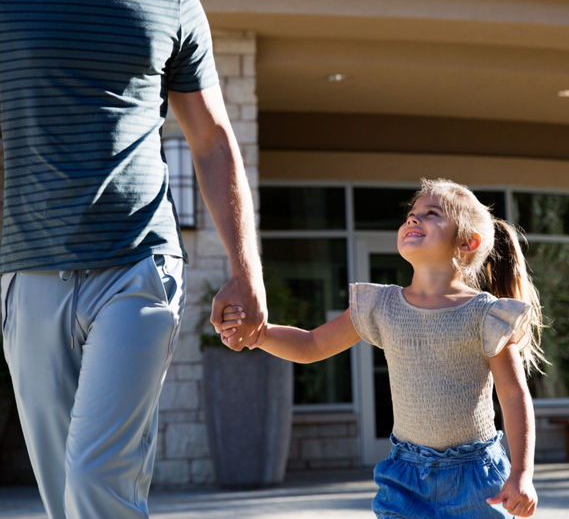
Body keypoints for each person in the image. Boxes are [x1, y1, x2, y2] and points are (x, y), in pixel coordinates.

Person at [0, 0, 266, 518]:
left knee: (98, 480)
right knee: (64, 495)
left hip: (139, 265)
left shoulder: (173, 3)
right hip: (30, 272)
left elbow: (211, 140)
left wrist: (245, 269)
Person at [222, 178, 545, 518]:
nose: (413, 219)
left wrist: (522, 474)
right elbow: (311, 344)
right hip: (405, 478)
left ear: (467, 242)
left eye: (431, 213)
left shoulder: (484, 314)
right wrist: (258, 334)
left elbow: (513, 397)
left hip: (476, 477)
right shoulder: (382, 305)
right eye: (411, 214)